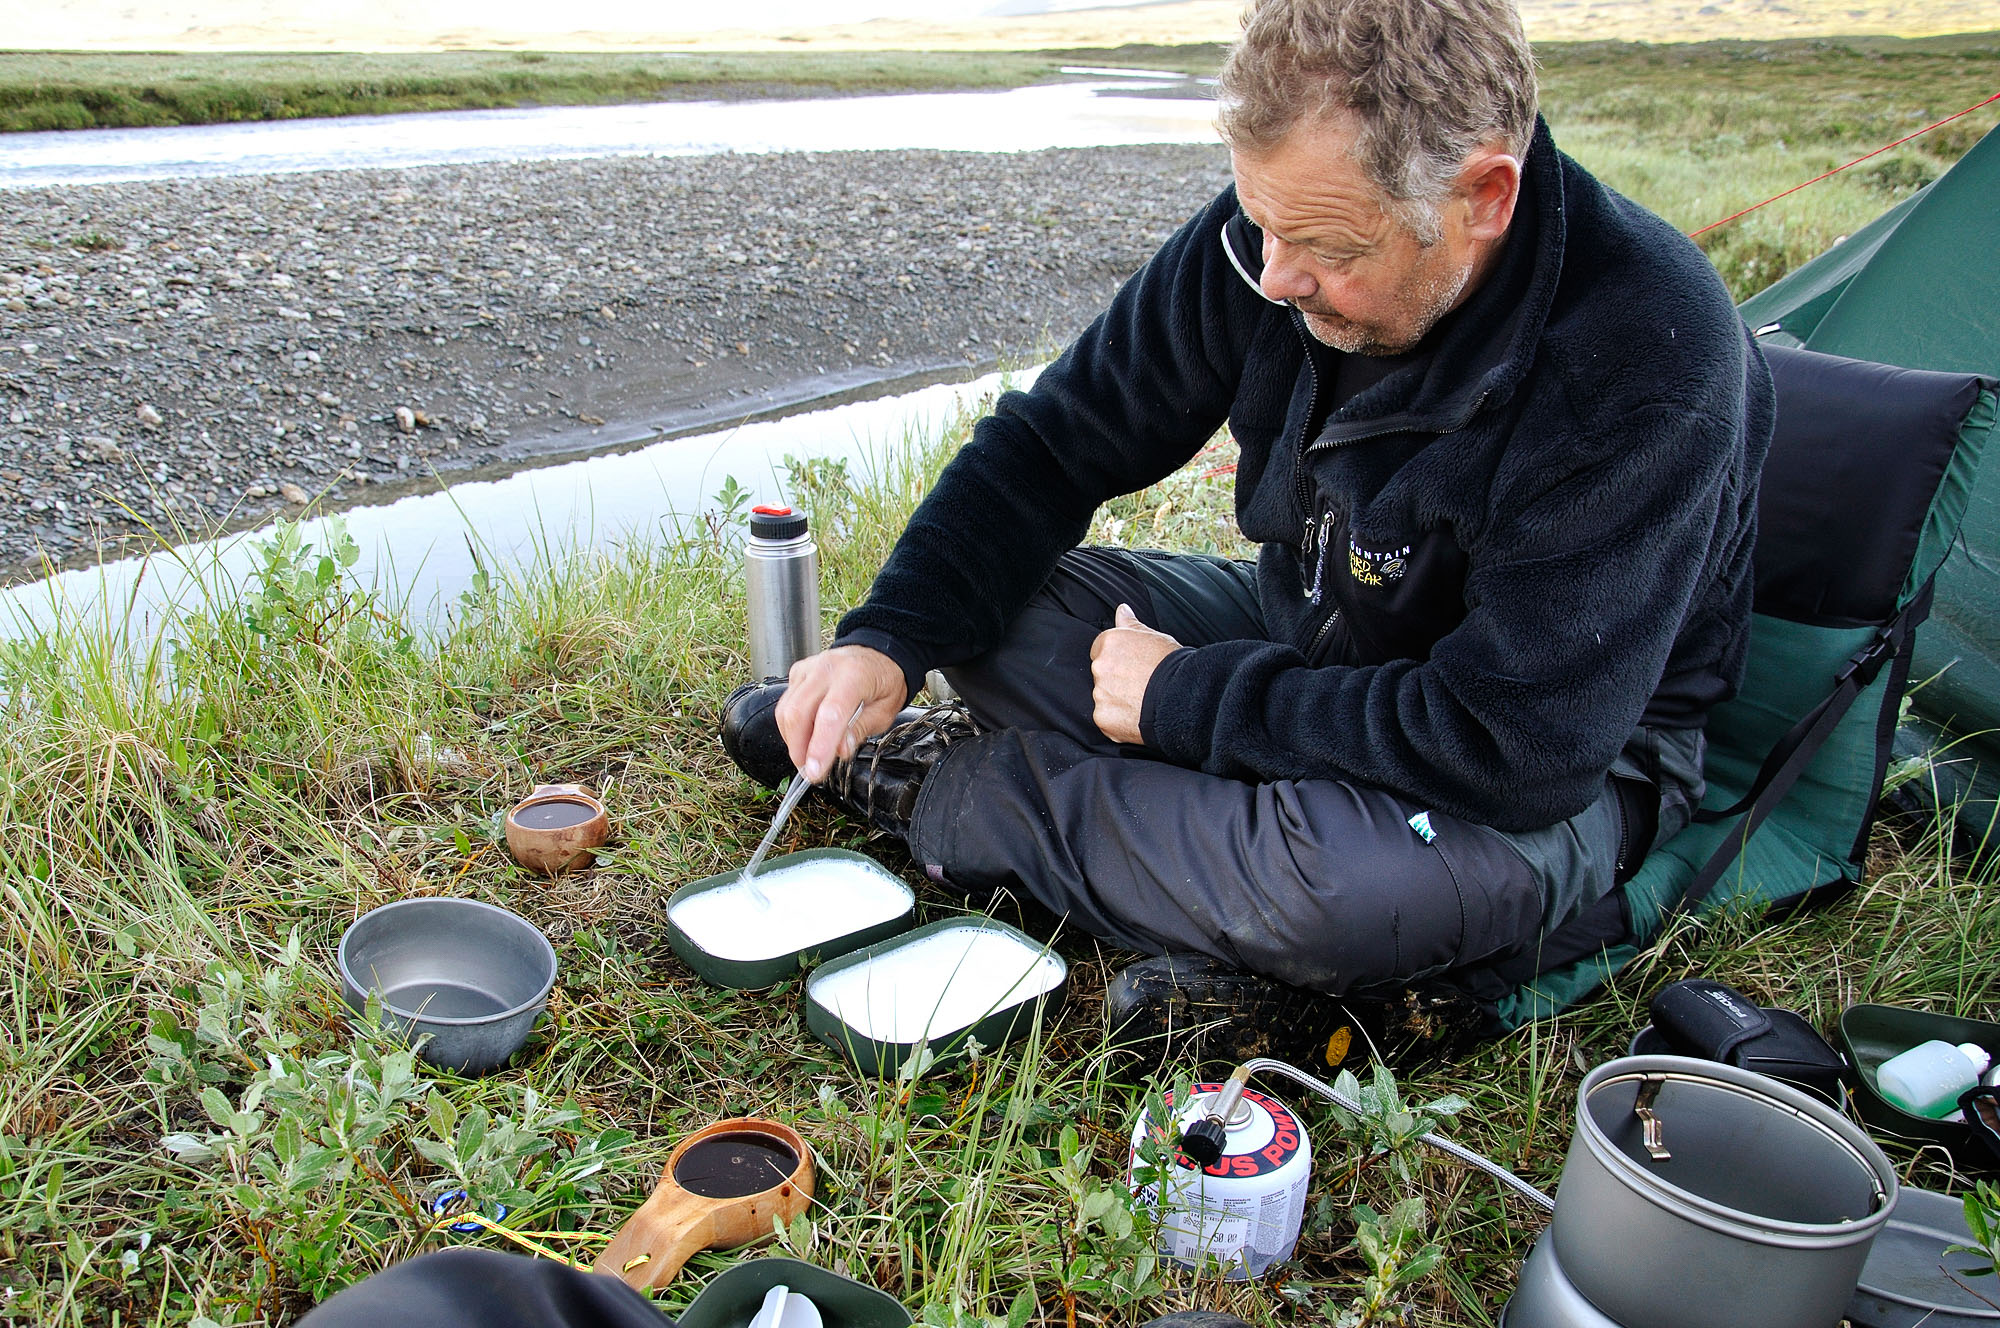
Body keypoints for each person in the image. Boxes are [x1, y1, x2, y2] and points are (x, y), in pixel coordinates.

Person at [724, 0, 1772, 1063]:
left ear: (1481, 196)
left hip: (1551, 760)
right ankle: (1178, 854)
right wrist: (887, 636)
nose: (1273, 278)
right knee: (1000, 606)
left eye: (1324, 246)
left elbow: (1512, 748)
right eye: (1261, 223)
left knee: (1333, 893)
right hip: (1317, 628)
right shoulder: (1268, 240)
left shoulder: (1645, 358)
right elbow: (1054, 443)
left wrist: (1185, 699)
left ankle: (940, 784)